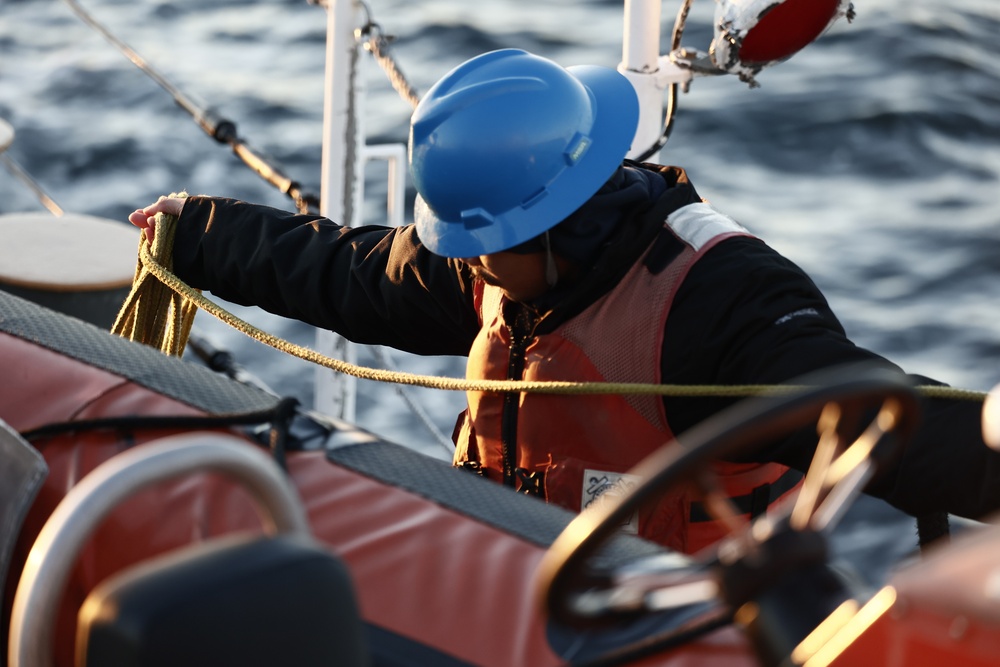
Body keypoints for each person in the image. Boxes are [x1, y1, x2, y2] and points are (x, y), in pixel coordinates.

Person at [130, 48, 998, 554]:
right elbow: (357, 273)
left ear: (553, 222)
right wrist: (200, 233)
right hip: (513, 580)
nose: (468, 262)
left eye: (483, 244)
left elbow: (888, 420)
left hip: (677, 625)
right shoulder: (508, 262)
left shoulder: (721, 304)